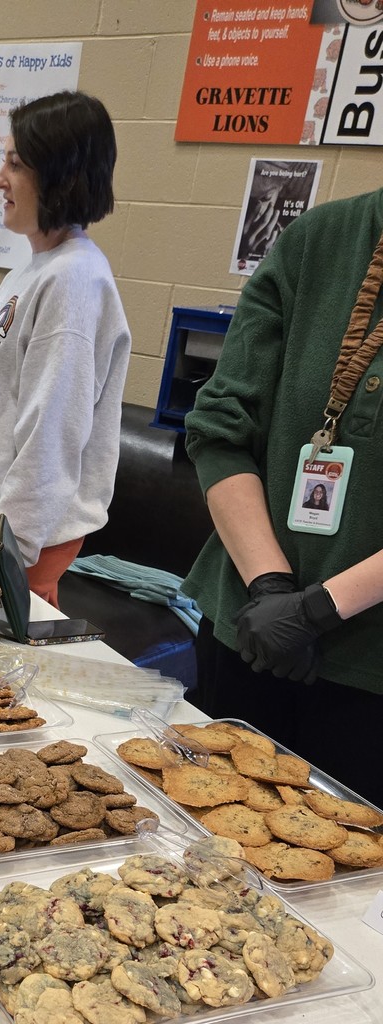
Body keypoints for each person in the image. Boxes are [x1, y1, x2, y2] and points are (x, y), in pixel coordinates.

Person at [183, 186, 383, 808]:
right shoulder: (317, 240)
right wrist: (270, 587)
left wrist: (319, 610)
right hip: (248, 629)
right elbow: (220, 427)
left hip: (369, 677)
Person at [0, 91, 130, 608]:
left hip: (13, 549)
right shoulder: (33, 271)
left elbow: (51, 432)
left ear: (59, 176)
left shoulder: (73, 279)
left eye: (16, 164)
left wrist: (9, 555)